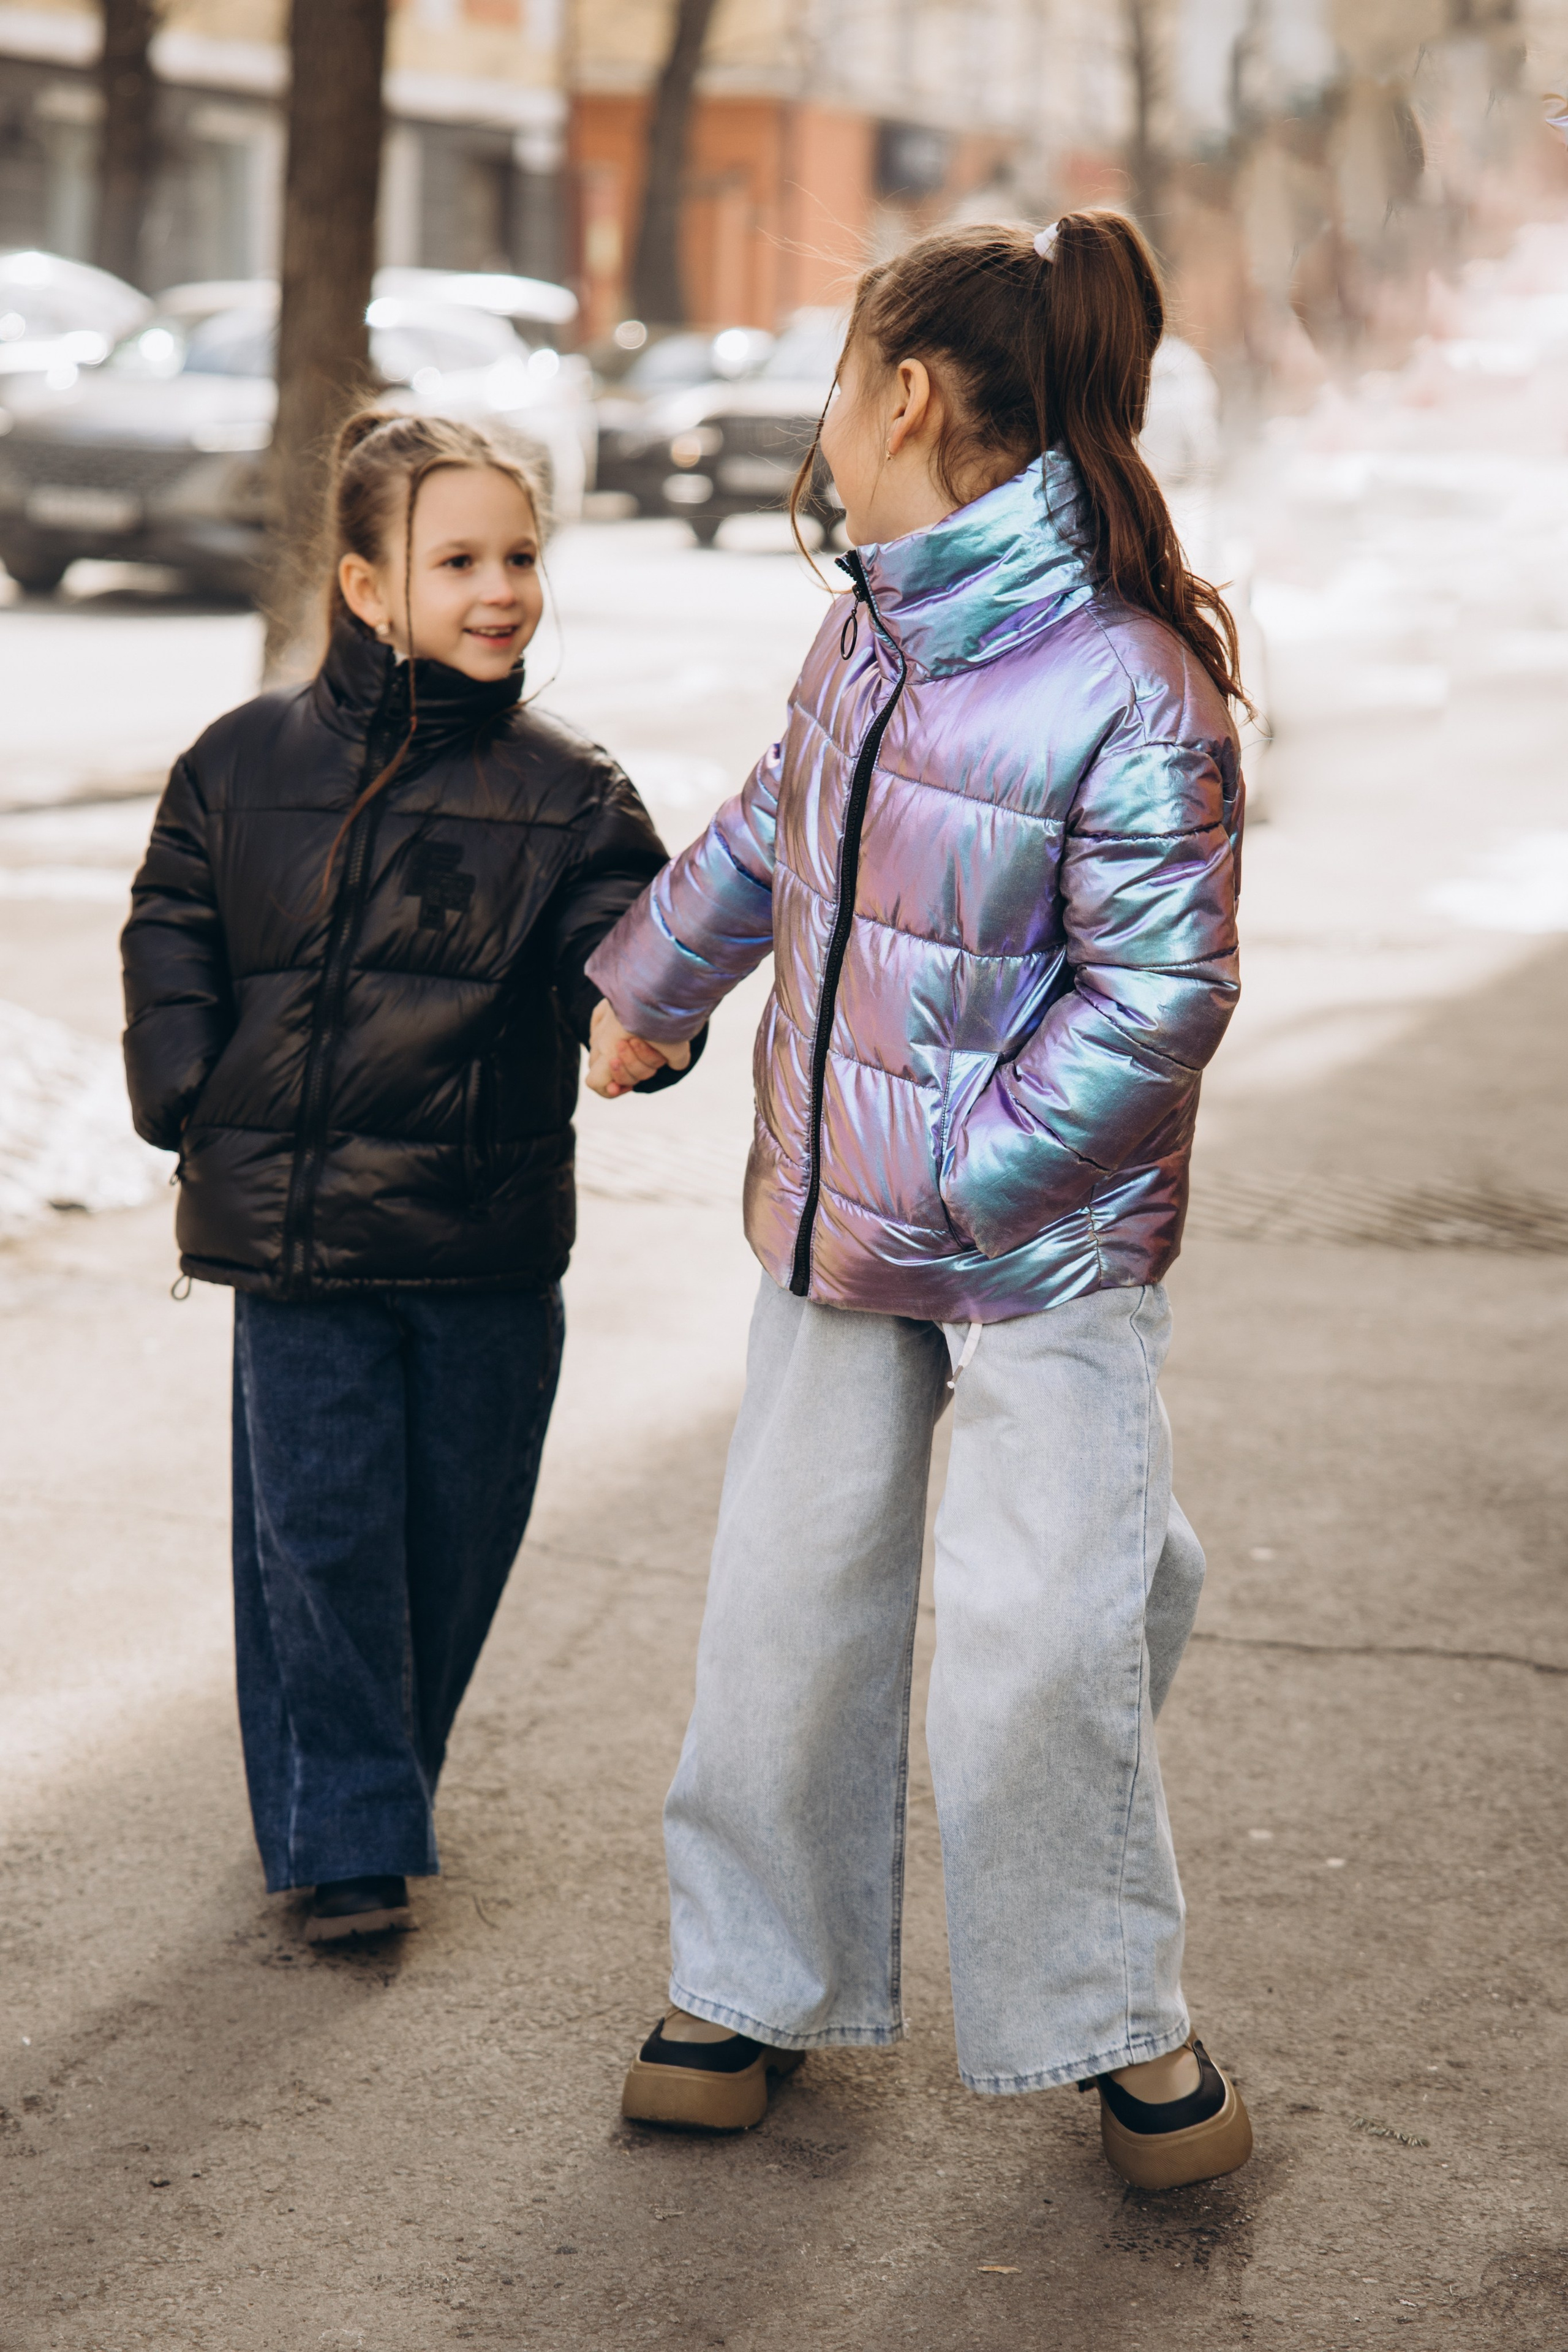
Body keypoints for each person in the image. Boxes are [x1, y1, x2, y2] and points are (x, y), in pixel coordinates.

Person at [584, 213, 1253, 2192]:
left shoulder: (1134, 684)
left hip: (1039, 1251)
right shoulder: (862, 627)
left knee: (1041, 1641)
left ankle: (1115, 2017)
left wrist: (969, 1173)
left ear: (901, 399)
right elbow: (768, 827)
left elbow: (1165, 999)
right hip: (829, 1231)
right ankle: (747, 1978)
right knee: (787, 1608)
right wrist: (645, 992)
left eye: (832, 378)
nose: (818, 423)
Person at [122, 411, 695, 1943]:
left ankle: (362, 1787)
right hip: (300, 1241)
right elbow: (172, 916)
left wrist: (631, 1019)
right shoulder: (241, 763)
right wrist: (182, 1082)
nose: (501, 589)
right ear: (370, 587)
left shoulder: (567, 790)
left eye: (520, 557)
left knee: (448, 1547)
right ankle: (348, 1840)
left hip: (485, 1242)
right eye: (458, 561)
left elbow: (617, 936)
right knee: (317, 1545)